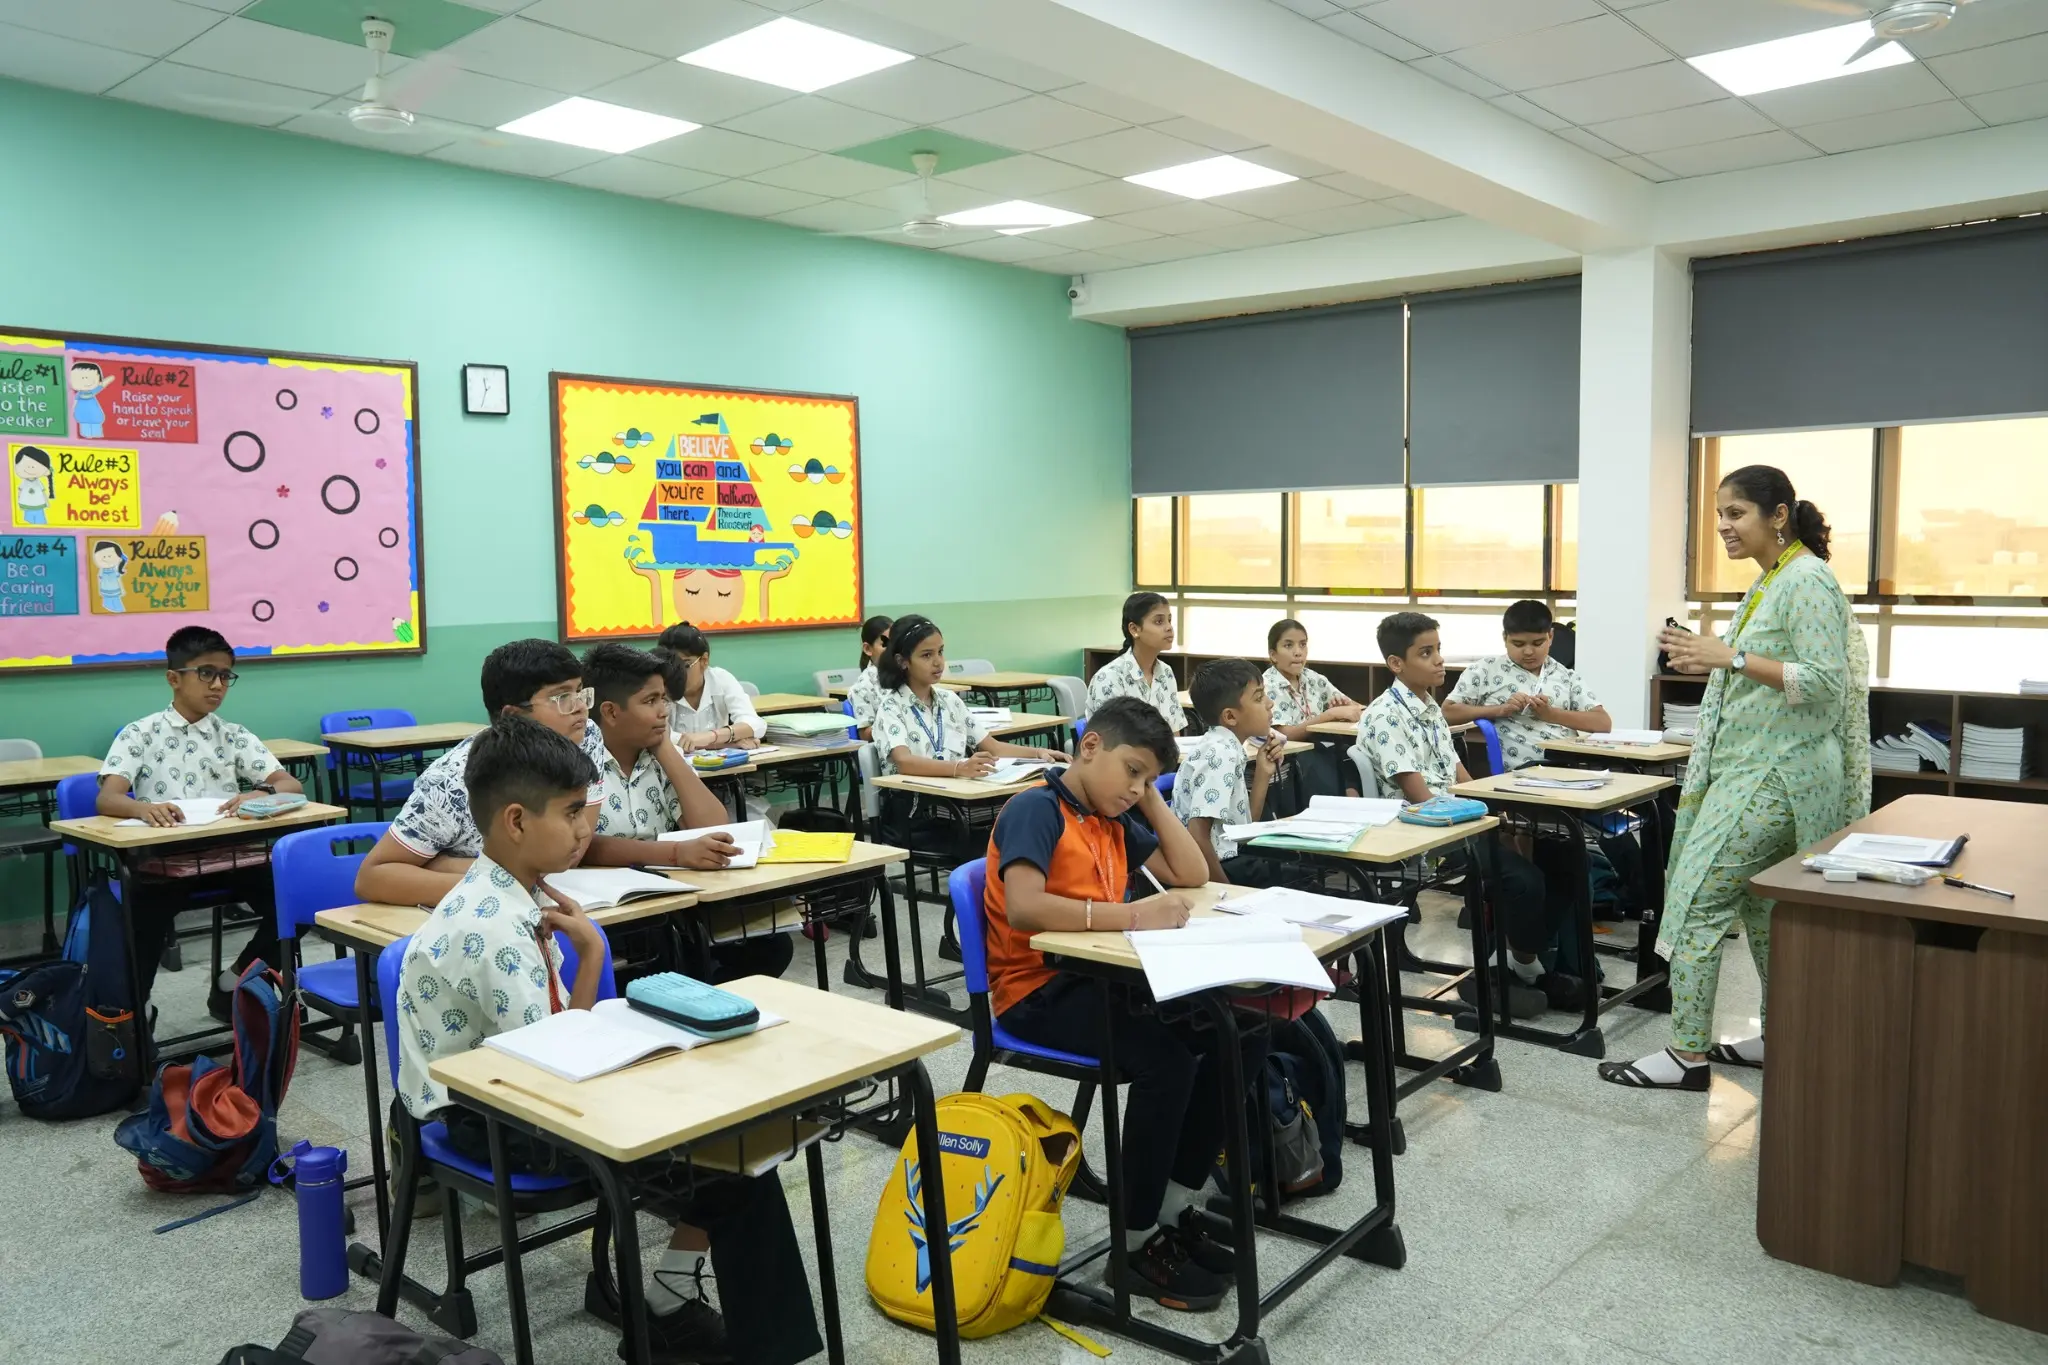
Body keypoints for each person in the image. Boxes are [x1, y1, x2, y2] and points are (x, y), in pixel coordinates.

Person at [393, 717, 822, 1365]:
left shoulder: (514, 893)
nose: (584, 829)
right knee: (735, 1155)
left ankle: (673, 1311)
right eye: (572, 812)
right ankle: (692, 1319)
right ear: (516, 821)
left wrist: (590, 952)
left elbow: (555, 1042)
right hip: (493, 1125)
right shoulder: (492, 930)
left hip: (519, 1096)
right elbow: (548, 1075)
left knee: (740, 1144)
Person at [1602, 466, 1869, 1090]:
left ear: (1778, 516)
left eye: (1736, 513)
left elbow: (1824, 682)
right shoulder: (1775, 578)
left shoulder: (1804, 579)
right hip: (1768, 769)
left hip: (1773, 774)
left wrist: (1730, 656)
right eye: (1719, 514)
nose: (1723, 526)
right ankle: (1781, 1037)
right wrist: (1716, 658)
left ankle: (1686, 1055)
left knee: (1697, 907)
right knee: (1763, 910)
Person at [983, 697, 1251, 1311]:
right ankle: (1131, 1244)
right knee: (1167, 1064)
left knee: (1234, 1032)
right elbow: (1024, 906)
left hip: (1103, 977)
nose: (1133, 788)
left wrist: (1150, 796)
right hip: (1037, 990)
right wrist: (1133, 915)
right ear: (1090, 746)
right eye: (1131, 770)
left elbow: (1190, 873)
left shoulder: (1110, 815)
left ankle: (1172, 1208)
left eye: (1146, 779)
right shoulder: (1037, 809)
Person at [355, 638, 731, 909]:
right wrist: (497, 880)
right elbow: (373, 877)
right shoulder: (452, 782)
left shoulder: (586, 739)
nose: (581, 708)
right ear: (513, 715)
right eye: (562, 697)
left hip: (547, 907)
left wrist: (448, 865)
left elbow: (573, 850)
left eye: (581, 692)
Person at [1356, 612, 1584, 1016]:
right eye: (1426, 653)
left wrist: (1494, 809)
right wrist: (1486, 821)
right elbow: (1421, 798)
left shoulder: (1429, 707)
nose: (1439, 660)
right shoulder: (1385, 715)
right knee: (1523, 880)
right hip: (1424, 832)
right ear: (1396, 663)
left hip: (1456, 818)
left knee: (1565, 858)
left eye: (1438, 649)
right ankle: (1510, 969)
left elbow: (1459, 776)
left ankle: (1518, 964)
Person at [96, 626, 304, 1018]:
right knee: (140, 928)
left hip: (231, 856)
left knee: (300, 900)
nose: (218, 685)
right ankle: (133, 1019)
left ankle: (235, 980)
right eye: (206, 673)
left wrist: (262, 794)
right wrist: (142, 809)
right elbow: (108, 798)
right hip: (163, 862)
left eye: (226, 676)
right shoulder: (140, 734)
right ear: (173, 678)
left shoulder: (233, 735)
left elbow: (289, 784)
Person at [584, 641, 792, 983]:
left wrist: (666, 749)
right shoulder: (580, 764)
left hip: (671, 897)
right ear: (610, 712)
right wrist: (676, 852)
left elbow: (714, 825)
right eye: (650, 701)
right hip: (615, 908)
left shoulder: (657, 755)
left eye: (664, 699)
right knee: (667, 956)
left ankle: (701, 991)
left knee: (771, 946)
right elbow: (584, 845)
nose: (663, 711)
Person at [870, 615, 1067, 779]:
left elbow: (993, 747)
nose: (938, 662)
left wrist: (1038, 753)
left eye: (940, 652)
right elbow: (904, 762)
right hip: (913, 803)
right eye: (927, 655)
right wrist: (958, 768)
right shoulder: (891, 707)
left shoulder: (950, 701)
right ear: (902, 661)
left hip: (953, 797)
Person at [1443, 599, 1611, 770]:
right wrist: (1499, 710)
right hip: (1520, 772)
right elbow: (1447, 712)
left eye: (1538, 643)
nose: (1529, 651)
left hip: (1569, 769)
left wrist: (1551, 714)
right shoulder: (1486, 670)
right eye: (1518, 644)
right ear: (1504, 638)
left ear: (1550, 636)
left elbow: (1603, 723)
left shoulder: (1566, 676)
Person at [1171, 659, 1290, 887]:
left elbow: (1243, 828)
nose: (1270, 703)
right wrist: (1224, 891)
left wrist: (1263, 773)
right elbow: (1197, 835)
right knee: (1303, 881)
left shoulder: (1227, 747)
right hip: (1220, 867)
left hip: (1231, 858)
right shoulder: (1220, 754)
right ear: (1230, 717)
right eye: (1259, 698)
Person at [1263, 618, 1360, 803]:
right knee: (1320, 760)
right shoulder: (1268, 685)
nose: (1298, 652)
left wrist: (1343, 707)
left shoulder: (1313, 678)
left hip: (1325, 746)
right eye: (1288, 645)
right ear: (1273, 654)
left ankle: (1353, 806)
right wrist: (1330, 715)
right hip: (1291, 754)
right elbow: (1285, 735)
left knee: (1354, 753)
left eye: (1303, 644)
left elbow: (1356, 708)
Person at [1086, 592, 1186, 732]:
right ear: (1134, 629)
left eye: (1169, 620)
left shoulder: (1166, 673)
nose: (1169, 627)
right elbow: (1111, 739)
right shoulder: (1109, 678)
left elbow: (1174, 733)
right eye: (1159, 622)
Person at [656, 623, 764, 751]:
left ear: (704, 660)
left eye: (685, 666)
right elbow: (662, 736)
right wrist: (727, 743)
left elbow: (755, 724)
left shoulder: (720, 679)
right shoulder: (659, 687)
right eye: (670, 667)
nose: (676, 674)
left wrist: (712, 736)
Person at [845, 614, 891, 740]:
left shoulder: (908, 676)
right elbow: (864, 734)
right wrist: (894, 724)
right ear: (868, 649)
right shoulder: (863, 687)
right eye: (885, 644)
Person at [12, 445, 51, 525]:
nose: (30, 468)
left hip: (39, 504)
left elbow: (43, 492)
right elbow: (19, 491)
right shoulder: (24, 482)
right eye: (27, 465)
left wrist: (47, 502)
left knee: (40, 521)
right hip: (27, 504)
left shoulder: (38, 482)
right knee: (28, 521)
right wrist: (19, 501)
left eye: (34, 466)